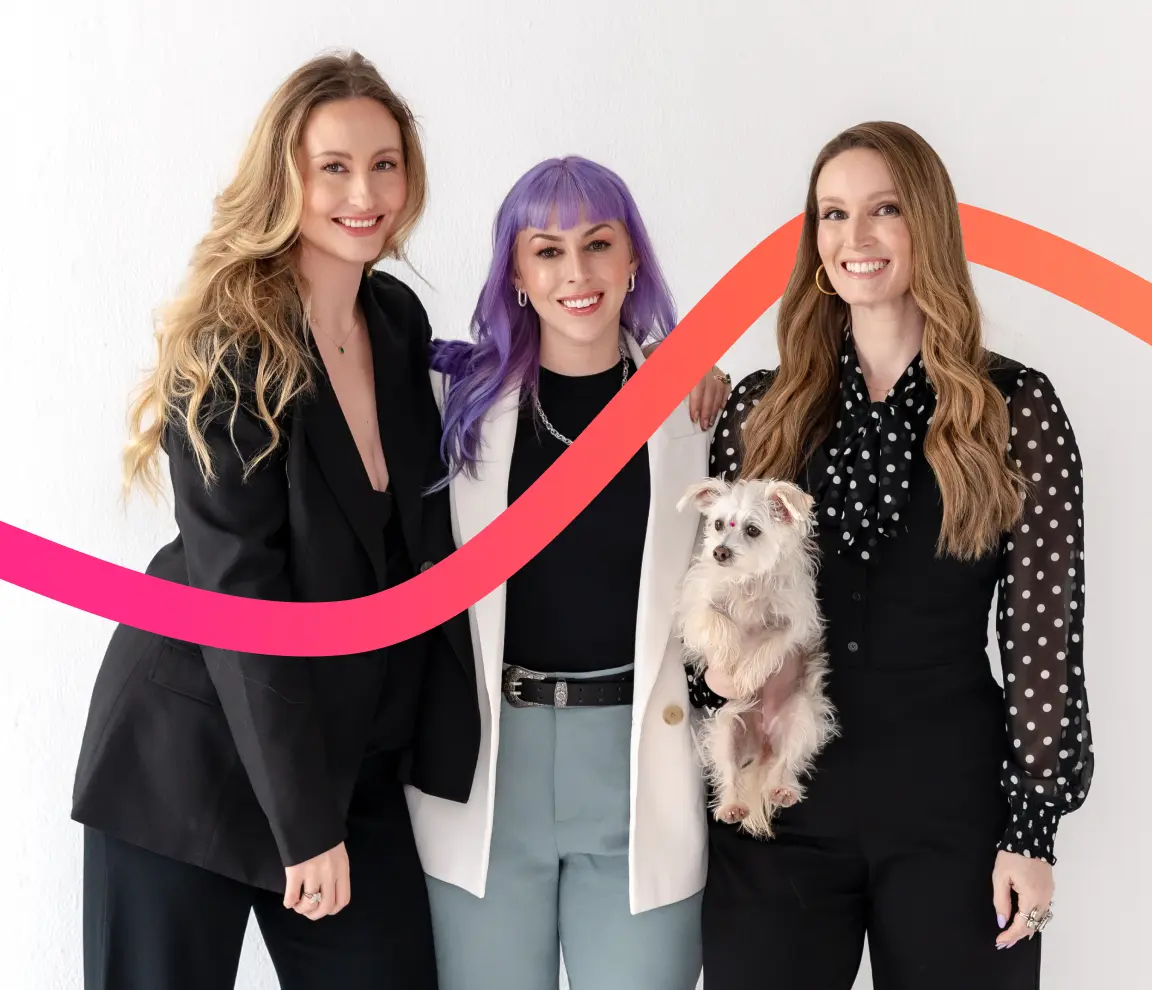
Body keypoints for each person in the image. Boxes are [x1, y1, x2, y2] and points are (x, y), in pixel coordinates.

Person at [70, 51, 480, 990]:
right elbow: (237, 600)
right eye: (332, 166)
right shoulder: (232, 349)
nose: (364, 191)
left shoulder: (395, 318)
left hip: (346, 762)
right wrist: (306, 831)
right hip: (194, 761)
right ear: (284, 176)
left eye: (385, 163)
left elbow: (480, 393)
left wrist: (650, 371)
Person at [689, 121, 1093, 989]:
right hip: (779, 806)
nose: (854, 238)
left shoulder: (1014, 409)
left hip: (952, 812)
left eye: (884, 210)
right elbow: (712, 600)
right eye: (832, 215)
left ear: (931, 226)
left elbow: (1044, 643)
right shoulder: (762, 410)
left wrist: (1031, 834)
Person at [407, 155, 730, 990]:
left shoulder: (696, 412)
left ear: (633, 264)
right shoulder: (457, 406)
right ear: (515, 273)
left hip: (637, 766)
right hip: (488, 769)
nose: (576, 273)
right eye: (546, 250)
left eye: (598, 244)